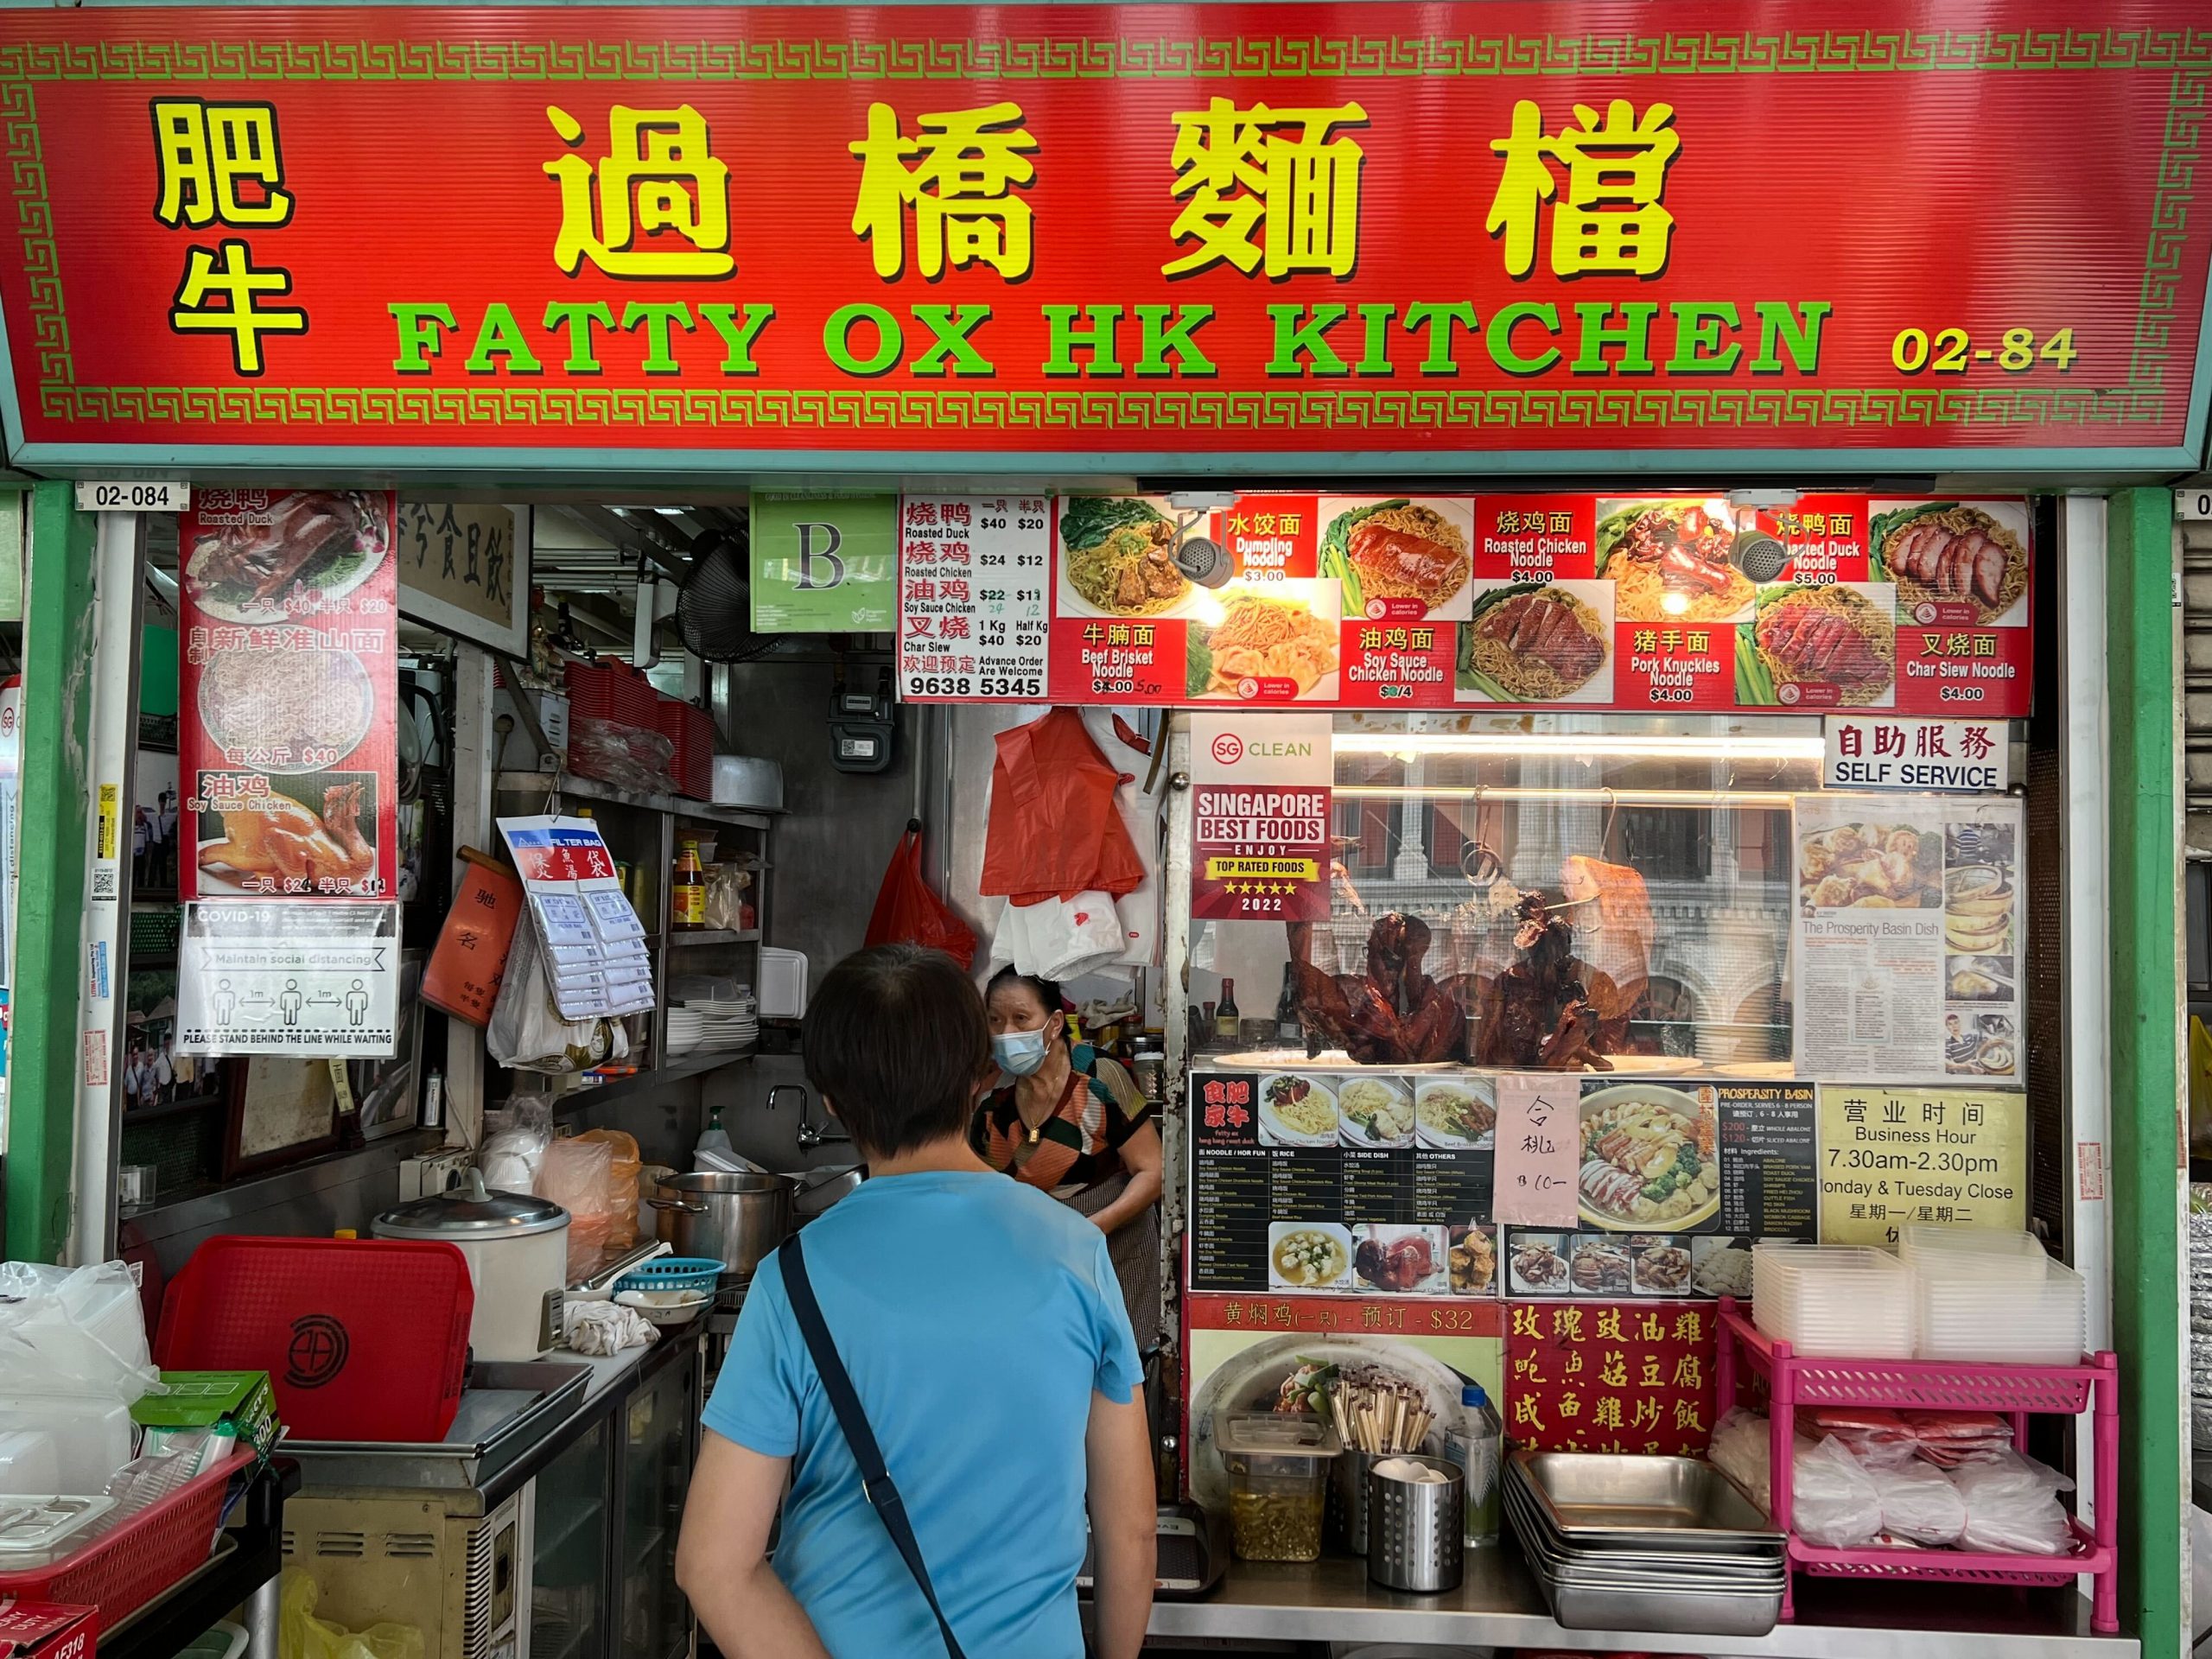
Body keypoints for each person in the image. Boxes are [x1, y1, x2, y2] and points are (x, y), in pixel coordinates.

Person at [677, 944, 1156, 1659]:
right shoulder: (1074, 1252)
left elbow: (715, 1568)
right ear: (978, 1077)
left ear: (834, 1101)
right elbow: (1130, 1531)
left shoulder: (792, 1277)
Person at [972, 968, 1165, 1346]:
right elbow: (979, 1187)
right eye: (995, 1021)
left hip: (1113, 1256)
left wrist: (1095, 1227)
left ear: (1055, 1022)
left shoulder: (1098, 1077)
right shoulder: (993, 1099)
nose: (1007, 1033)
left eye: (1021, 1019)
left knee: (1117, 1373)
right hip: (1036, 1264)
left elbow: (1153, 1171)